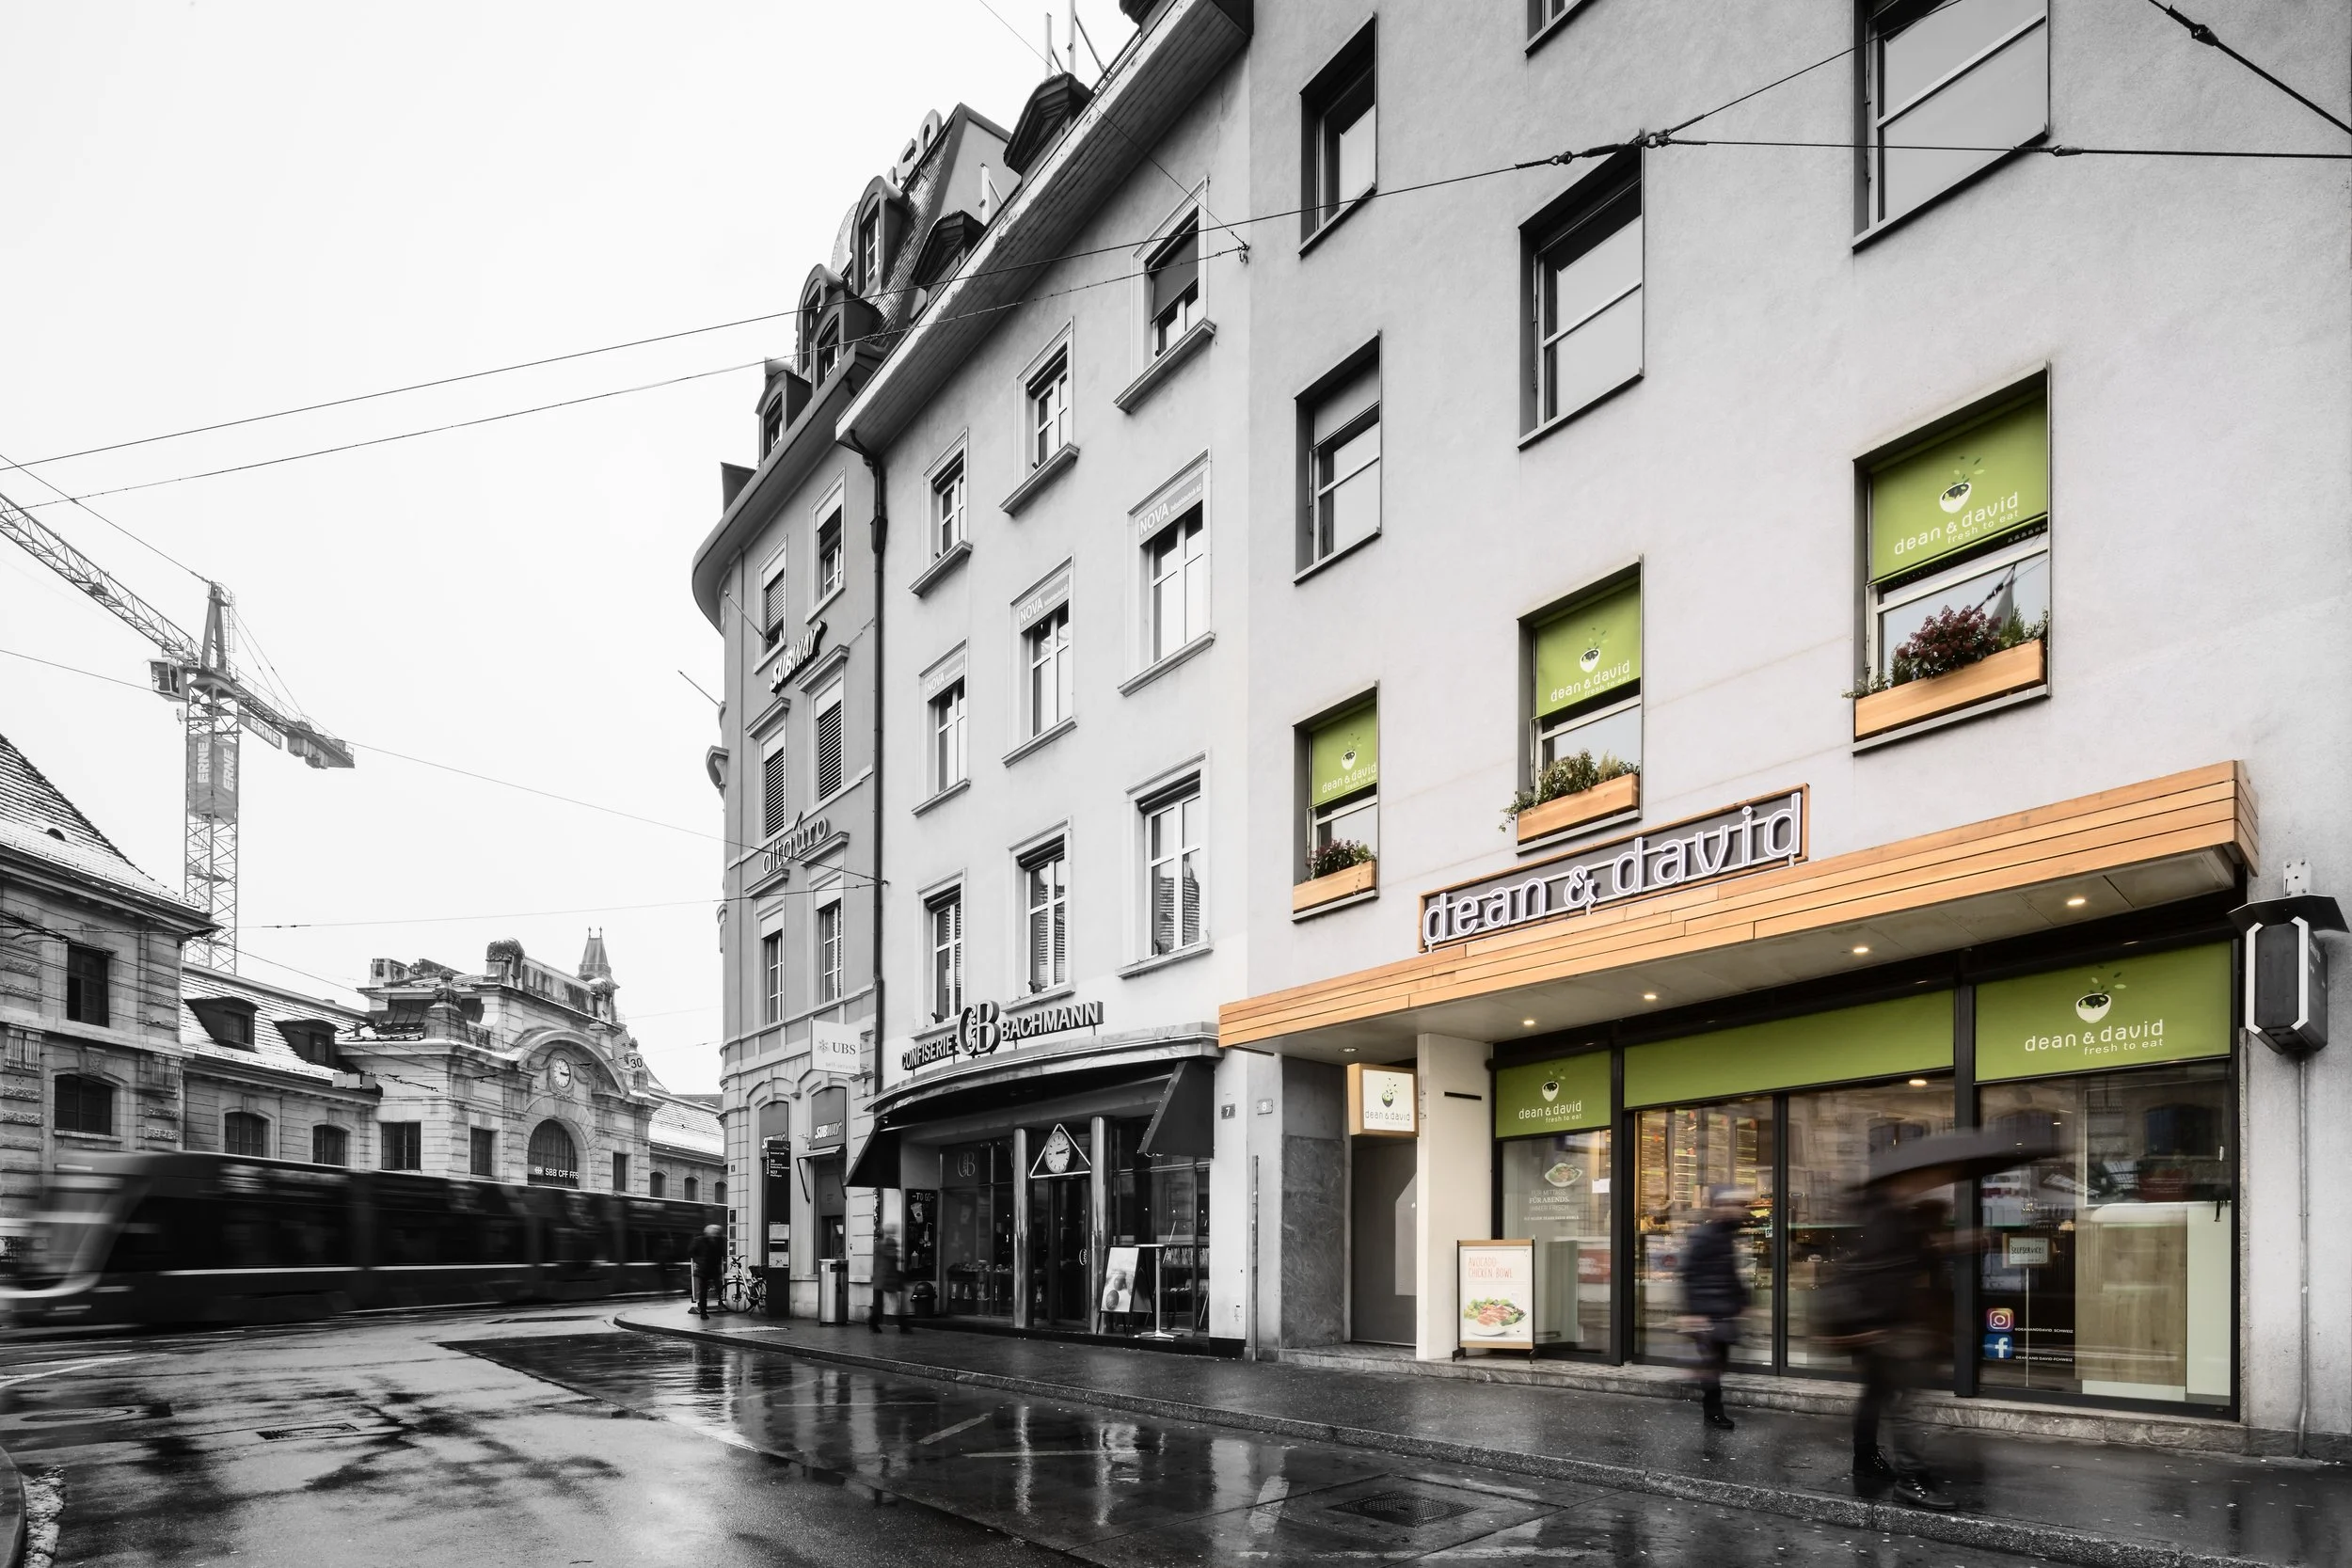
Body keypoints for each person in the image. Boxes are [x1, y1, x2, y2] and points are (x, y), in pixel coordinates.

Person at [1843, 1180, 1957, 1511]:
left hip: (1880, 1327)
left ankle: (1867, 1458)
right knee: (1904, 1403)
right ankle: (1909, 1480)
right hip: (1887, 1328)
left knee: (1878, 1395)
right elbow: (1888, 1271)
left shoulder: (1881, 1217)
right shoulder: (1888, 1221)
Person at [1677, 1186, 1750, 1432]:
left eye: (1737, 1205)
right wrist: (1692, 1312)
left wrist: (1743, 1301)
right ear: (1717, 1207)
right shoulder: (1705, 1236)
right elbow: (1688, 1273)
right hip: (1707, 1312)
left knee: (1717, 1362)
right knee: (1713, 1364)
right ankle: (1713, 1413)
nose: (1735, 1210)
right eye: (1728, 1205)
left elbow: (1729, 1273)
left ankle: (1709, 1402)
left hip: (1722, 1309)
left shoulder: (1725, 1235)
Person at [868, 1225, 910, 1333]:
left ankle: (873, 1322)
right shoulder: (890, 1243)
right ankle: (903, 1326)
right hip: (888, 1276)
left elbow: (876, 1262)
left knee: (879, 1303)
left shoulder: (878, 1244)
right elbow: (892, 1257)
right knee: (895, 1302)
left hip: (880, 1276)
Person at [688, 1223, 724, 1318]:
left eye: (717, 1232)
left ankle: (720, 1301)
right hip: (703, 1270)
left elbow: (721, 1253)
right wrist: (699, 1261)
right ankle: (703, 1312)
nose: (716, 1233)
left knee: (719, 1288)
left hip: (714, 1269)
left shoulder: (720, 1240)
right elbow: (691, 1251)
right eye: (714, 1232)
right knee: (703, 1292)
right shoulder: (699, 1240)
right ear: (708, 1232)